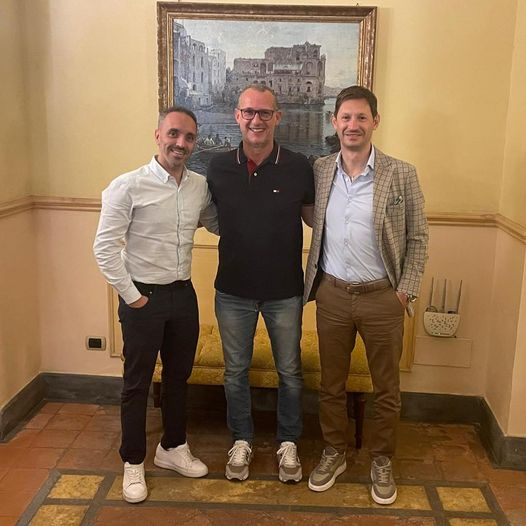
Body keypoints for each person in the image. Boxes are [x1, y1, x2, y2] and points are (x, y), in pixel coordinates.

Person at [304, 86, 428, 504]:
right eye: (345, 117)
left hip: (383, 298)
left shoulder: (402, 173)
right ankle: (334, 452)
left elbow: (418, 237)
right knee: (331, 385)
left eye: (361, 117)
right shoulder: (321, 170)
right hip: (332, 295)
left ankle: (382, 459)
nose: (352, 125)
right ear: (334, 122)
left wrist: (404, 291)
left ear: (375, 121)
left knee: (386, 389)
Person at [93, 106, 218, 504]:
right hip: (142, 298)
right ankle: (133, 460)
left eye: (189, 137)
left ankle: (172, 447)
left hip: (183, 295)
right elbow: (104, 248)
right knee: (137, 383)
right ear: (158, 135)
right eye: (174, 134)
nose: (181, 143)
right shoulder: (127, 186)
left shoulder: (199, 186)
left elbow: (217, 223)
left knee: (179, 377)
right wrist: (134, 297)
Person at [207, 85, 314, 484]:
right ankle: (242, 440)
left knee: (290, 371)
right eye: (249, 112)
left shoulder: (299, 167)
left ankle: (288, 442)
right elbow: (203, 214)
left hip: (285, 291)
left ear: (277, 117)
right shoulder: (217, 167)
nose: (256, 120)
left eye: (265, 113)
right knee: (235, 371)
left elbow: (316, 220)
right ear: (237, 115)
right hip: (232, 290)